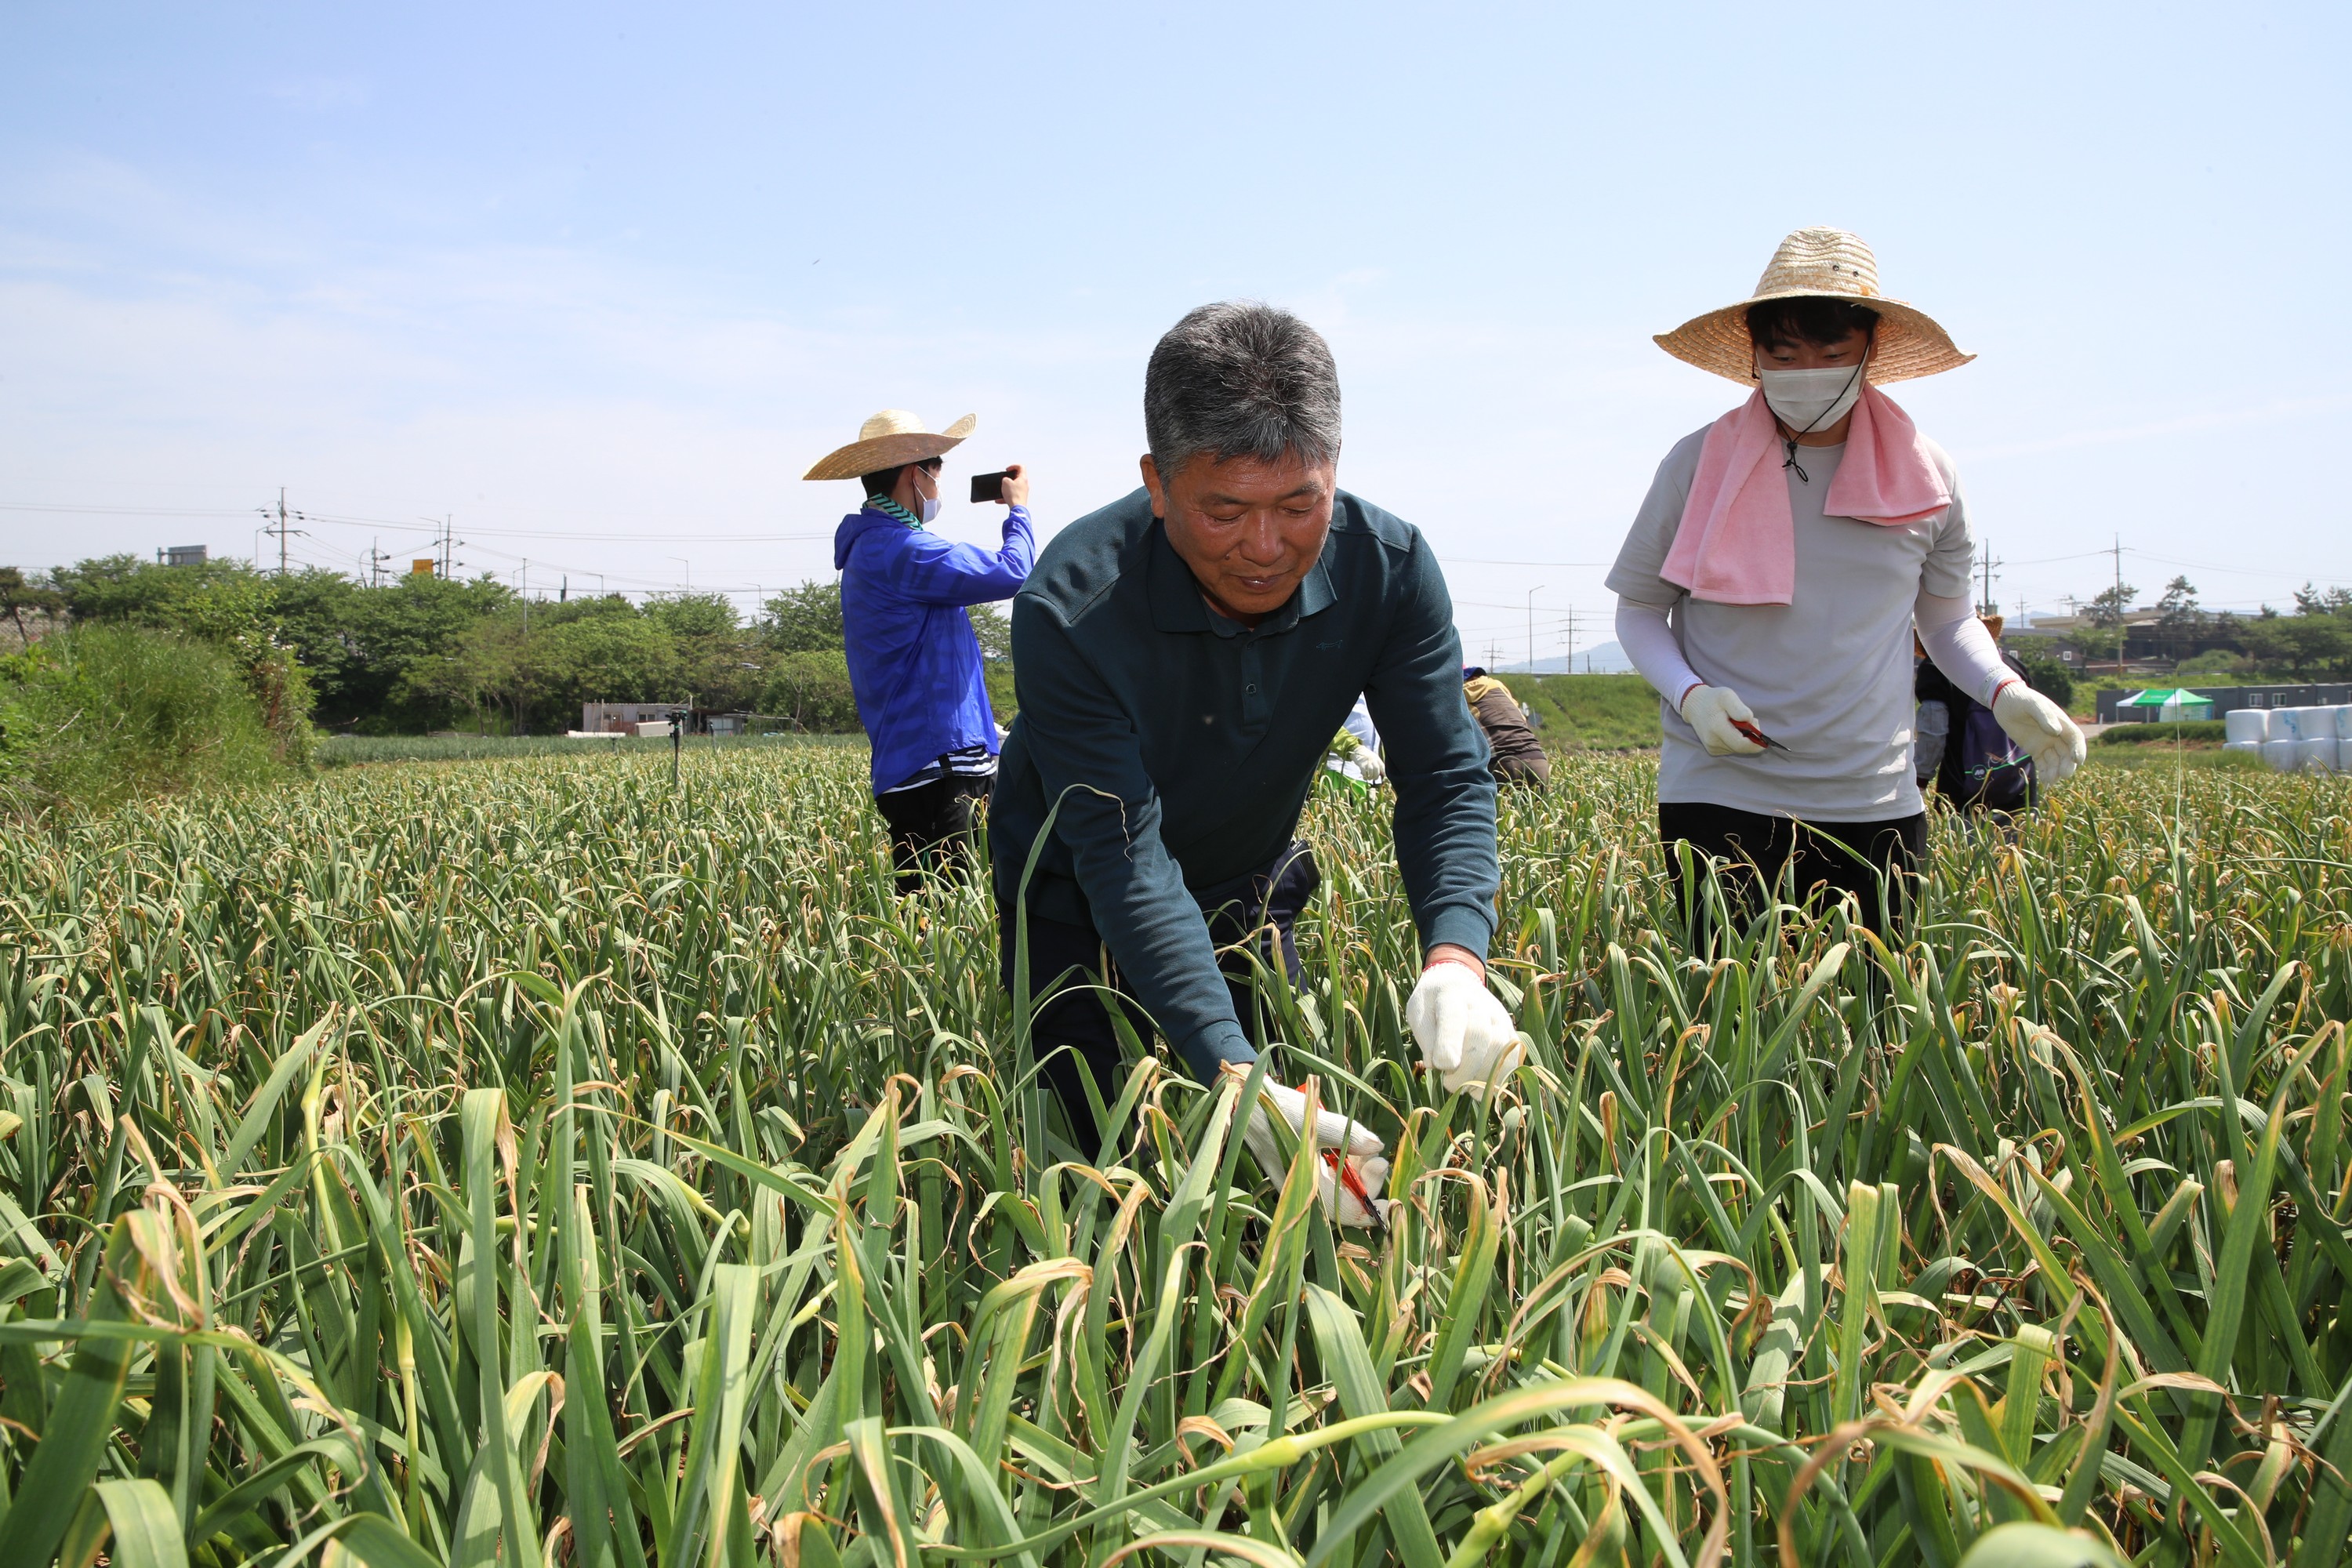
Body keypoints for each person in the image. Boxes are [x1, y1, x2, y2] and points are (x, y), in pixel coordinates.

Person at [990, 302, 1523, 1221]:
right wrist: (1229, 1075)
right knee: (1101, 1169)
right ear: (1157, 483)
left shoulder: (1388, 569)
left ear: (1334, 472)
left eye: (1298, 504)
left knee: (1312, 1149)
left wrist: (1456, 956)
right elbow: (1122, 853)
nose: (1264, 548)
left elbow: (1443, 777)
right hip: (1073, 901)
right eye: (1224, 509)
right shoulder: (1073, 604)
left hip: (1246, 886)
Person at [1608, 227, 2085, 938]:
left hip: (1874, 794)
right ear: (1754, 356)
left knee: (1875, 1021)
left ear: (1869, 354)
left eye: (1832, 355)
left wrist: (2003, 689)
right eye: (1785, 354)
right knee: (1728, 1023)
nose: (1808, 371)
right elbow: (1641, 609)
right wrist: (1692, 695)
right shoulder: (1696, 463)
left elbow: (1947, 619)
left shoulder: (1927, 475)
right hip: (1719, 787)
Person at [806, 411, 1034, 891]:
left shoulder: (870, 550)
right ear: (917, 474)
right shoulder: (904, 550)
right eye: (937, 473)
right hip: (944, 772)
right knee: (958, 923)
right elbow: (1014, 573)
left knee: (926, 924)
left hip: (911, 768)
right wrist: (1019, 511)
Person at [1915, 614, 2038, 815]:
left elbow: (1933, 731)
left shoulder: (1936, 668)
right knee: (2018, 846)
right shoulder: (2012, 666)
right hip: (2020, 790)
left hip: (1964, 796)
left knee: (1967, 847)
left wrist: (1920, 780)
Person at [1461, 667, 1551, 786]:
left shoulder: (1458, 696)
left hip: (1503, 764)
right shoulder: (1497, 686)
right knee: (1536, 805)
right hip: (1538, 760)